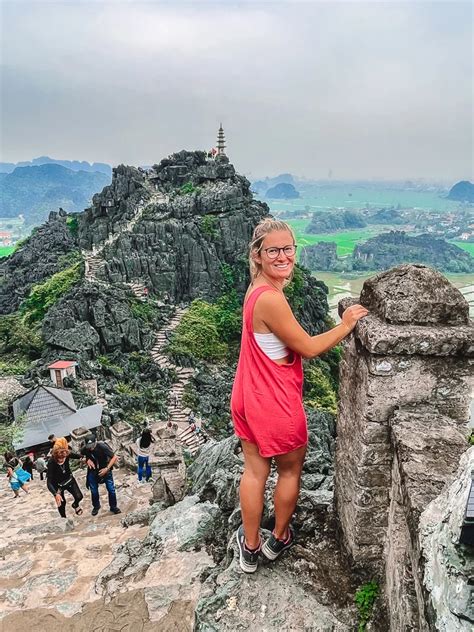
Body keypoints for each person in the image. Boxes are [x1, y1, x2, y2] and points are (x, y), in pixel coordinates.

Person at [231, 218, 369, 573]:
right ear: (257, 255)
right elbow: (307, 347)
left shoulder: (255, 289)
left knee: (254, 472)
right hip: (274, 403)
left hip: (247, 396)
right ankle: (277, 539)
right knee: (289, 472)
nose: (282, 256)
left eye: (288, 249)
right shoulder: (272, 300)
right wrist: (346, 325)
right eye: (273, 250)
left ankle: (249, 549)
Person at [81, 436, 121, 515]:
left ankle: (113, 507)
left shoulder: (102, 446)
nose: (91, 448)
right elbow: (81, 456)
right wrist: (86, 460)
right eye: (89, 447)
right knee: (94, 491)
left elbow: (114, 457)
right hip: (92, 471)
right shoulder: (84, 449)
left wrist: (107, 468)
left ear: (95, 442)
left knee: (111, 490)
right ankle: (96, 506)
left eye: (92, 446)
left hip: (105, 470)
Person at [46, 437, 84, 517]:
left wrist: (85, 459)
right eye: (59, 458)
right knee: (62, 503)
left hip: (68, 479)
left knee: (79, 496)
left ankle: (75, 505)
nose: (61, 460)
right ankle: (63, 518)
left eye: (63, 457)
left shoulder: (67, 454)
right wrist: (55, 494)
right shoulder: (51, 462)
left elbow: (79, 456)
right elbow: (49, 482)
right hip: (57, 484)